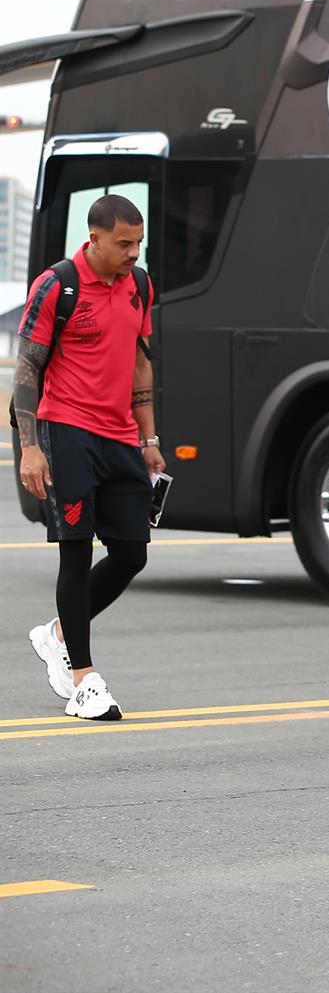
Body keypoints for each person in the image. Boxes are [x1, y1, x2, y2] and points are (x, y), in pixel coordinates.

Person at [19, 194, 162, 722]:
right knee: (75, 550)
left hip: (121, 436)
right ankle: (84, 678)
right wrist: (30, 446)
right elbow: (27, 370)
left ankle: (58, 631)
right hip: (66, 430)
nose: (133, 253)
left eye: (138, 243)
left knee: (132, 553)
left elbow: (141, 365)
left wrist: (148, 440)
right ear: (94, 238)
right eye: (124, 244)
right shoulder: (58, 285)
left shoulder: (139, 286)